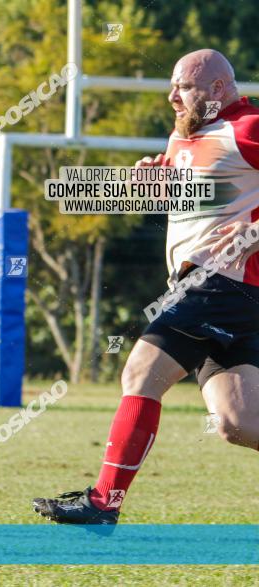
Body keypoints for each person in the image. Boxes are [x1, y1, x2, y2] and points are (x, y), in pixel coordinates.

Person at [33, 49, 259, 524]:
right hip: (221, 291)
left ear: (219, 89)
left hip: (219, 286)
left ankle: (103, 503)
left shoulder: (248, 127)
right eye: (172, 86)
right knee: (238, 423)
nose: (173, 96)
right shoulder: (185, 136)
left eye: (186, 87)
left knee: (141, 374)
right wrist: (154, 182)